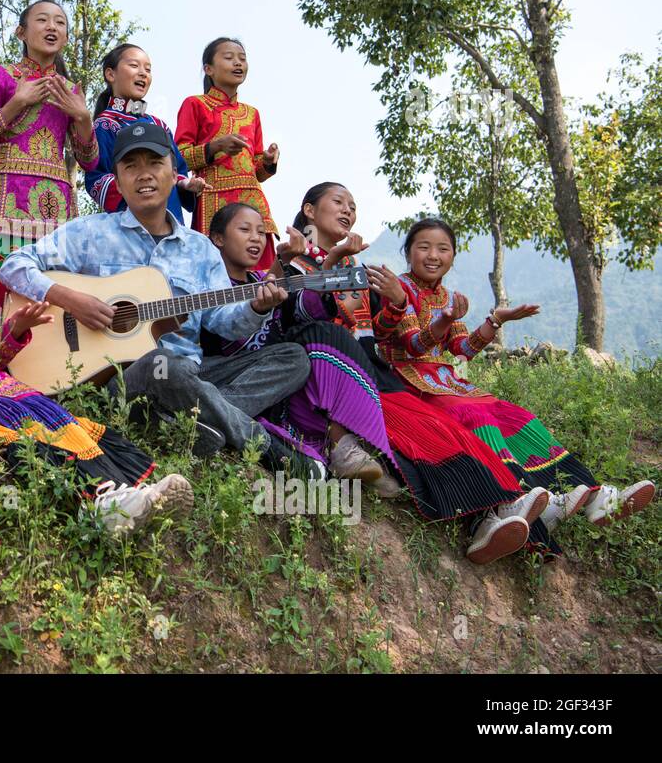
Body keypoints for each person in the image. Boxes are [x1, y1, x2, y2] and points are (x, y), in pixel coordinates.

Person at [0, 156, 193, 538]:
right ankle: (102, 503)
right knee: (19, 421)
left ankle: (120, 497)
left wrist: (16, 328)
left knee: (51, 414)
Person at [0, 121, 318, 477]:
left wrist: (257, 306)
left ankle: (188, 418)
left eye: (154, 163)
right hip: (118, 382)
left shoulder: (200, 249)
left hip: (192, 373)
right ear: (118, 182)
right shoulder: (90, 233)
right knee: (160, 362)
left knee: (294, 359)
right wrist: (70, 299)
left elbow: (223, 322)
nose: (143, 175)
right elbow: (14, 265)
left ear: (173, 174)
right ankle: (270, 450)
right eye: (130, 166)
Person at [288, 182, 572, 561]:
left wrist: (395, 302)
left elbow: (383, 332)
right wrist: (339, 268)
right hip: (347, 367)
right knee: (430, 431)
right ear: (309, 211)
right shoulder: (294, 260)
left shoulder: (358, 270)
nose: (348, 211)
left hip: (373, 363)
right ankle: (489, 516)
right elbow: (300, 317)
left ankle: (511, 514)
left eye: (353, 205)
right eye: (338, 202)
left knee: (453, 428)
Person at [384, 216, 655, 546]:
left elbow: (464, 349)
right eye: (423, 247)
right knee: (477, 417)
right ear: (408, 251)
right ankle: (526, 496)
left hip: (448, 381)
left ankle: (593, 496)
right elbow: (414, 344)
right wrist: (445, 319)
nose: (433, 255)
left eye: (443, 248)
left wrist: (497, 319)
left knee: (517, 417)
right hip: (412, 380)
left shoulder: (450, 297)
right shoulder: (397, 288)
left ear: (453, 256)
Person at [203, 202, 401, 494]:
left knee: (316, 339)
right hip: (232, 379)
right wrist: (283, 264)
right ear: (217, 238)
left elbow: (302, 311)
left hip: (277, 382)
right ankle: (221, 416)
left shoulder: (263, 280)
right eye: (245, 230)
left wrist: (329, 266)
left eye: (261, 232)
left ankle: (344, 449)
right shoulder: (207, 282)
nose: (256, 238)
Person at [0, 0, 99, 267]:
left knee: (59, 285)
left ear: (65, 38)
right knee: (3, 279)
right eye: (42, 20)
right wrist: (17, 102)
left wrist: (84, 118)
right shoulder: (3, 75)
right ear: (21, 32)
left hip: (58, 202)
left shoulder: (71, 90)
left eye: (60, 22)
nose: (51, 27)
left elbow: (90, 161)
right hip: (6, 198)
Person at [175, 37, 280, 271]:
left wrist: (269, 162)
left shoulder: (252, 113)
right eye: (229, 57)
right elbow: (178, 158)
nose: (238, 63)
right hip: (215, 203)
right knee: (216, 278)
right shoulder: (195, 104)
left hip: (254, 203)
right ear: (208, 69)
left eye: (242, 58)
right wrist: (215, 147)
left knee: (263, 276)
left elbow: (257, 169)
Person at [85, 42, 204, 222]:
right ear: (110, 74)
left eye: (148, 69)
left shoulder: (159, 125)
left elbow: (177, 170)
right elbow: (97, 178)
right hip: (130, 224)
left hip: (169, 219)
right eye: (134, 65)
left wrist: (186, 183)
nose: (143, 73)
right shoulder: (105, 124)